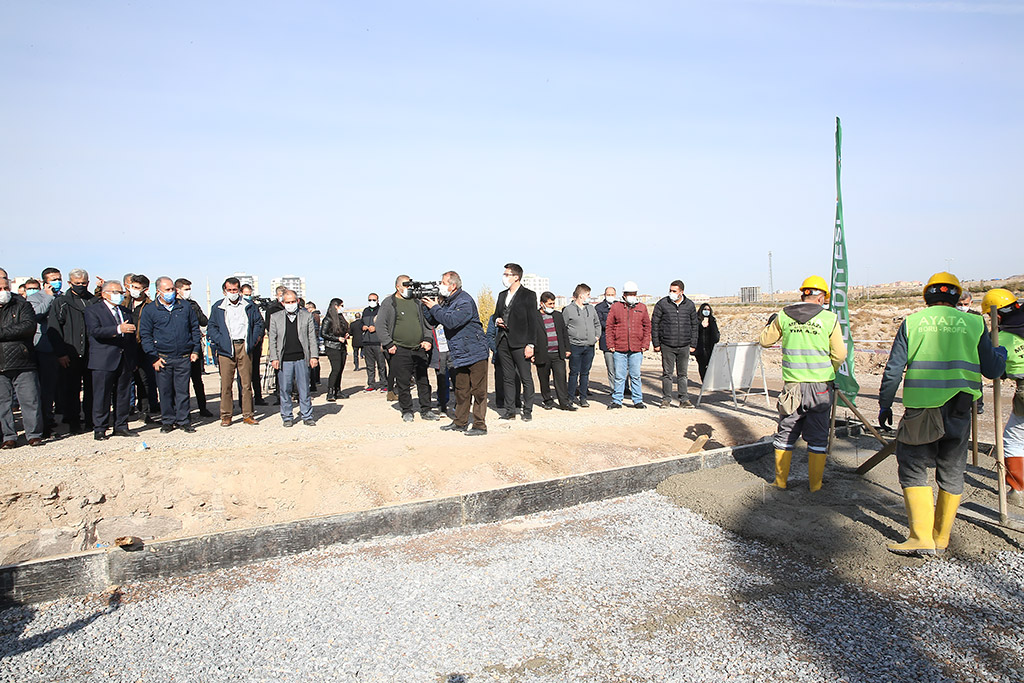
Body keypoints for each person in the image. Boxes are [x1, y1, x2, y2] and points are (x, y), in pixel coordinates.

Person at [878, 273, 1005, 556]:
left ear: (927, 296)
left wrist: (885, 404)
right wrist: (1001, 354)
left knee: (912, 467)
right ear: (956, 297)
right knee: (952, 469)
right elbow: (993, 370)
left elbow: (894, 369)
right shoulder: (974, 322)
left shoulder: (913, 322)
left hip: (922, 409)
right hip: (961, 409)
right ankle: (941, 537)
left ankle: (920, 537)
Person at [758, 276, 846, 492]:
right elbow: (840, 354)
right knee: (817, 435)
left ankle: (780, 481)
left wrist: (771, 323)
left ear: (803, 294)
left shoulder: (784, 316)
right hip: (820, 387)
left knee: (786, 431)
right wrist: (830, 371)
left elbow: (764, 341)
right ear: (822, 297)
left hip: (793, 387)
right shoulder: (829, 319)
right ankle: (815, 485)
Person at [423, 271, 490, 436]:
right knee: (461, 390)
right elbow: (433, 320)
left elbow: (451, 321)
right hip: (459, 354)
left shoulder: (464, 301)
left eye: (443, 282)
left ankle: (479, 425)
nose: (440, 285)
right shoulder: (447, 302)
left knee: (479, 391)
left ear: (453, 285)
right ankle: (460, 422)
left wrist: (436, 307)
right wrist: (426, 305)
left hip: (475, 352)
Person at [139, 277, 202, 433]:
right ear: (158, 291)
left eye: (172, 289)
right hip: (162, 358)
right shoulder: (150, 310)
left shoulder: (185, 307)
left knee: (182, 391)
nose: (171, 292)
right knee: (165, 391)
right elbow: (145, 335)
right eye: (167, 290)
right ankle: (167, 421)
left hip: (183, 357)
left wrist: (195, 350)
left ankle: (184, 420)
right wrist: (153, 357)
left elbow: (194, 329)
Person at [981, 289, 1024, 506]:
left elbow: (992, 370)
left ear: (997, 316)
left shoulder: (1001, 335)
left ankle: (1016, 488)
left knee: (1014, 438)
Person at [378, 275, 436, 422]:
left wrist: (428, 339)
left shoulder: (416, 302)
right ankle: (407, 410)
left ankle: (426, 409)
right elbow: (380, 325)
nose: (409, 288)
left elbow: (427, 323)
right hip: (399, 350)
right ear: (398, 287)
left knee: (423, 381)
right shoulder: (389, 303)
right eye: (406, 285)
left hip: (419, 349)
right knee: (403, 382)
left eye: (411, 285)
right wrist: (389, 344)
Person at [207, 277, 264, 426]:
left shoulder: (249, 305)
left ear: (239, 290)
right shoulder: (218, 307)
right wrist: (220, 340)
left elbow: (258, 323)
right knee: (226, 384)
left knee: (246, 383)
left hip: (244, 347)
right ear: (225, 291)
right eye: (230, 290)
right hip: (226, 349)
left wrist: (254, 339)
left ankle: (248, 415)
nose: (233, 293)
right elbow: (211, 327)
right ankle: (226, 415)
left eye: (235, 290)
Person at [85, 280, 138, 440]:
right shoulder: (93, 310)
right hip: (103, 359)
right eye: (116, 292)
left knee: (123, 394)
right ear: (104, 294)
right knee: (102, 395)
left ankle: (121, 425)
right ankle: (100, 428)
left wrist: (133, 359)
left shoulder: (124, 311)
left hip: (124, 359)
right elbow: (94, 331)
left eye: (121, 293)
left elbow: (131, 338)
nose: (119, 296)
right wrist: (117, 329)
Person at [48, 268, 95, 434]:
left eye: (83, 283)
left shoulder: (93, 301)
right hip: (70, 353)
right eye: (77, 283)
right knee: (71, 390)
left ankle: (91, 421)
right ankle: (74, 423)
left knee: (92, 390)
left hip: (91, 354)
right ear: (70, 283)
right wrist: (61, 353)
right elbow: (54, 329)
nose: (81, 286)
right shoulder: (61, 302)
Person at [0, 278, 43, 447]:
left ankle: (34, 434)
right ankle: (8, 436)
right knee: (3, 403)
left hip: (23, 359)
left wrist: (2, 333)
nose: (3, 291)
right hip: (1, 363)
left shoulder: (22, 304)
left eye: (5, 287)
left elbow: (27, 327)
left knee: (30, 400)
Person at [494, 263, 539, 421]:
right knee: (507, 377)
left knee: (525, 377)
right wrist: (497, 320)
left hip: (521, 342)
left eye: (507, 274)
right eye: (504, 274)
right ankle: (510, 410)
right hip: (503, 341)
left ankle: (527, 410)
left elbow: (533, 321)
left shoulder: (529, 295)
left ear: (516, 277)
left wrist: (531, 344)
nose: (504, 277)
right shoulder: (501, 295)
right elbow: (496, 314)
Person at [268, 290, 319, 426]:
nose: (290, 304)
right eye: (287, 302)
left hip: (302, 358)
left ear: (297, 301)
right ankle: (287, 416)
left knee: (304, 388)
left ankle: (307, 415)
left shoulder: (306, 316)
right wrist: (274, 358)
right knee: (285, 389)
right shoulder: (275, 317)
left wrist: (314, 356)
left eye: (292, 302)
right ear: (283, 302)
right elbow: (272, 340)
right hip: (284, 359)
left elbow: (311, 338)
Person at [652, 280, 699, 409]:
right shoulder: (662, 304)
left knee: (682, 374)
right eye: (670, 290)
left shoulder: (689, 305)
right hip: (667, 344)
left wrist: (693, 343)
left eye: (674, 291)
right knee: (667, 374)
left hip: (684, 345)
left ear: (681, 292)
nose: (671, 293)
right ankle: (666, 399)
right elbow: (655, 324)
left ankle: (684, 399)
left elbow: (695, 326)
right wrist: (656, 343)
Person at [27, 268, 62, 437]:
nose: (57, 281)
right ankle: (44, 423)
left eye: (59, 278)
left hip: (60, 346)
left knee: (56, 387)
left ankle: (55, 417)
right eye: (53, 279)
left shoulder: (62, 298)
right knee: (44, 389)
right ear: (45, 282)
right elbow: (34, 315)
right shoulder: (35, 298)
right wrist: (48, 297)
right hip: (43, 346)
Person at [606, 281, 651, 409]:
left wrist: (645, 343)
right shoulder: (616, 307)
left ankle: (637, 400)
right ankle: (617, 400)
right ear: (624, 295)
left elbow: (647, 326)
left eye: (634, 294)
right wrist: (611, 344)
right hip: (619, 347)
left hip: (637, 348)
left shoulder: (642, 308)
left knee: (635, 375)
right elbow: (609, 326)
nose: (631, 296)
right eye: (629, 294)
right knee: (619, 376)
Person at [175, 278, 213, 418]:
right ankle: (183, 412)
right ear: (177, 290)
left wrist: (194, 311)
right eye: (185, 289)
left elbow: (204, 321)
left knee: (197, 380)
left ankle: (203, 408)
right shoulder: (173, 305)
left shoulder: (193, 304)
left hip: (194, 347)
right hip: (180, 349)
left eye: (189, 289)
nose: (188, 292)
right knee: (181, 383)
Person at [127, 274, 160, 424]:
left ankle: (144, 411)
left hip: (143, 347)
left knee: (144, 381)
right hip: (126, 346)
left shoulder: (150, 306)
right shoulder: (124, 303)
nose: (133, 290)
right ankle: (125, 411)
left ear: (145, 289)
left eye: (137, 288)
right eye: (132, 286)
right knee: (125, 381)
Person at [534, 291, 575, 411]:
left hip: (558, 353)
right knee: (544, 379)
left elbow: (564, 333)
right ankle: (547, 400)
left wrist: (567, 348)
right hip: (542, 354)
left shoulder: (558, 315)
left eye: (553, 303)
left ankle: (564, 403)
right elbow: (531, 335)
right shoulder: (534, 316)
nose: (552, 306)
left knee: (561, 379)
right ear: (542, 303)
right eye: (550, 303)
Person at [562, 284, 600, 408]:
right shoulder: (568, 310)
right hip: (575, 346)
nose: (589, 297)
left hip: (589, 346)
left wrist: (596, 337)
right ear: (581, 295)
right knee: (574, 372)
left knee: (585, 373)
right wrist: (567, 344)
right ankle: (570, 397)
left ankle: (583, 398)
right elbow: (563, 328)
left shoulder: (591, 309)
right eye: (588, 294)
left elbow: (597, 324)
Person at [486, 313, 521, 414]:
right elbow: (489, 336)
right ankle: (500, 401)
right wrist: (496, 349)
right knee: (500, 378)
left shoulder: (517, 316)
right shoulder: (493, 318)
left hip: (515, 352)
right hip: (499, 354)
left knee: (516, 377)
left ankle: (516, 400)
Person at [958, 290, 986, 415]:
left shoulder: (977, 317)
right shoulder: (952, 317)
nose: (962, 307)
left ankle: (978, 404)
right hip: (958, 352)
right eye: (960, 304)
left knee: (975, 379)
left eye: (965, 304)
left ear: (971, 303)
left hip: (973, 351)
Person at [321, 298, 349, 402]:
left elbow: (343, 329)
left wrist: (345, 334)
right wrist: (337, 338)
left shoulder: (340, 317)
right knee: (335, 369)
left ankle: (338, 390)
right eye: (341, 306)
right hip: (332, 347)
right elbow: (323, 334)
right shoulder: (328, 319)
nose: (342, 308)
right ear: (336, 306)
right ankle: (330, 392)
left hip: (341, 346)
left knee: (340, 369)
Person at [361, 293, 387, 391]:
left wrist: (376, 328)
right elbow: (361, 323)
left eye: (373, 300)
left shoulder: (381, 310)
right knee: (370, 366)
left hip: (378, 342)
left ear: (377, 300)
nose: (372, 302)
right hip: (367, 342)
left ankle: (384, 384)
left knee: (381, 365)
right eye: (370, 300)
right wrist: (363, 327)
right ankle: (371, 384)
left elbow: (385, 324)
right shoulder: (365, 311)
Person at [595, 286, 618, 395]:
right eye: (608, 294)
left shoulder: (620, 306)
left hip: (620, 341)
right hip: (606, 341)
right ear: (604, 295)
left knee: (623, 367)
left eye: (612, 294)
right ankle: (614, 389)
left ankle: (624, 388)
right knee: (611, 367)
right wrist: (613, 326)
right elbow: (599, 323)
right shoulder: (599, 308)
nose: (610, 297)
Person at [694, 303, 721, 382]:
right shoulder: (697, 320)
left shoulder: (712, 320)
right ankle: (704, 381)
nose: (706, 311)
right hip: (699, 347)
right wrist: (701, 326)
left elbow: (715, 333)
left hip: (710, 347)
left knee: (711, 365)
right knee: (702, 365)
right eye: (705, 309)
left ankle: (711, 381)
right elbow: (694, 332)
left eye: (708, 310)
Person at [306, 301, 323, 392]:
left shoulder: (314, 316)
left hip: (313, 340)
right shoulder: (315, 315)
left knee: (314, 362)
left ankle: (315, 380)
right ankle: (315, 380)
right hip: (314, 339)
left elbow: (315, 329)